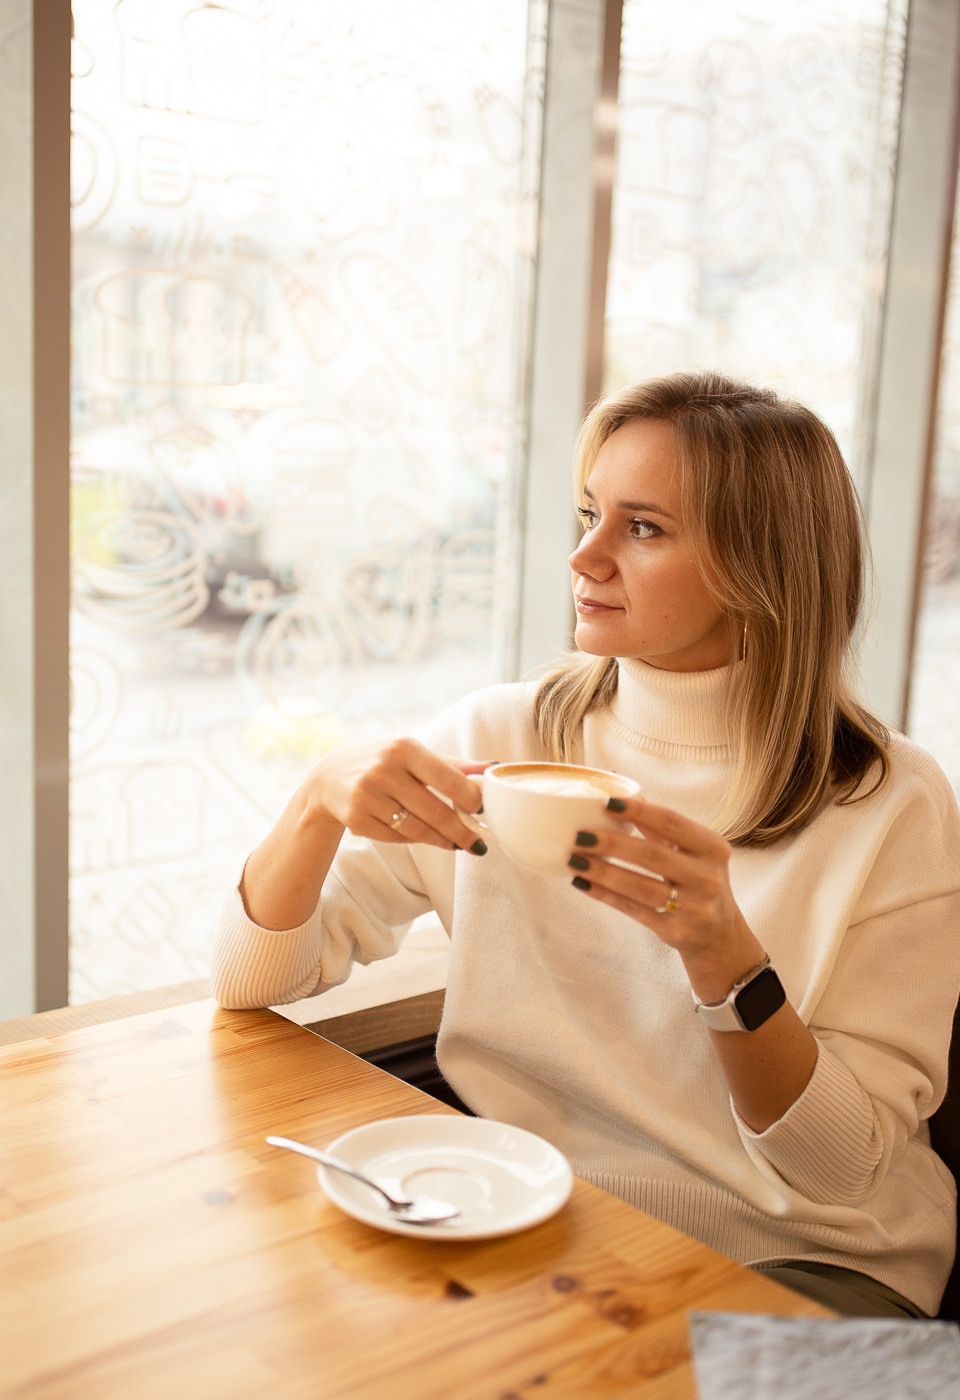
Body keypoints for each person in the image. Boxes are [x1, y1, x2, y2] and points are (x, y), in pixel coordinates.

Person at [213, 371, 960, 1320]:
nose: (584, 556)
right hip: (543, 1223)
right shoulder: (501, 742)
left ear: (761, 567)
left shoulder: (893, 804)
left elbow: (842, 1173)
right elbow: (252, 979)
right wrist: (313, 805)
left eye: (641, 528)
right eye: (588, 513)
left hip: (810, 1265)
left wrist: (723, 957)